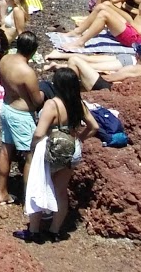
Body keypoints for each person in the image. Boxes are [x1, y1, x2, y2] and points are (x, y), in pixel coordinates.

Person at [21, 66, 98, 242]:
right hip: (71, 150)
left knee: (39, 186)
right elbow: (94, 126)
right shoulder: (79, 104)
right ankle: (55, 231)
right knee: (61, 191)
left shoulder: (52, 104)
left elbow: (40, 133)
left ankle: (34, 231)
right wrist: (79, 140)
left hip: (51, 149)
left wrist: (32, 148)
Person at [0, 31, 43, 207]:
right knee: (31, 156)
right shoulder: (27, 72)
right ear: (32, 51)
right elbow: (37, 101)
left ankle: (2, 192)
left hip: (6, 107)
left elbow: (0, 83)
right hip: (21, 115)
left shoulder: (5, 59)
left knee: (6, 149)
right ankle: (30, 201)